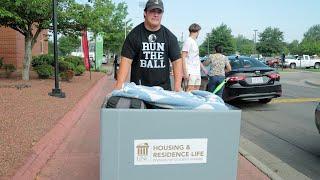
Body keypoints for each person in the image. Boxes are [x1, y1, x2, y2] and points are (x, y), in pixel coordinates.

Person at [113, 0, 183, 91]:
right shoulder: (134, 35)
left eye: (159, 12)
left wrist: (177, 86)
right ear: (145, 13)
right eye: (152, 11)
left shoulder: (170, 37)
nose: (156, 15)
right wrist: (119, 85)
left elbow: (177, 61)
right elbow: (126, 61)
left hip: (163, 91)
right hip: (139, 90)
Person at [181, 23, 208, 91]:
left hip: (197, 71)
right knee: (189, 91)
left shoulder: (194, 42)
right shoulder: (188, 41)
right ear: (197, 31)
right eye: (199, 32)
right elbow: (183, 57)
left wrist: (203, 68)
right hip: (190, 71)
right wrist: (185, 72)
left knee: (196, 91)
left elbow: (196, 57)